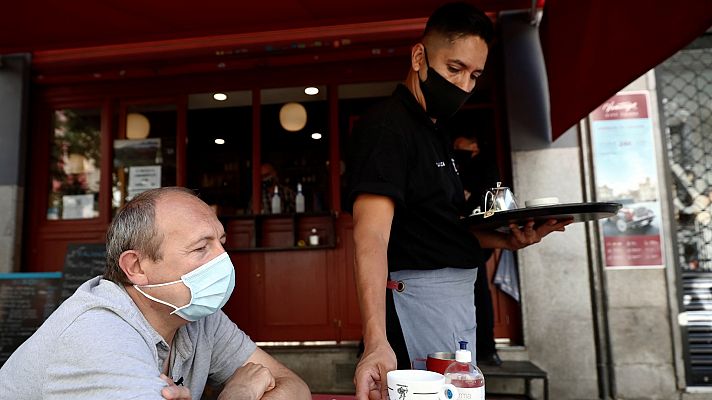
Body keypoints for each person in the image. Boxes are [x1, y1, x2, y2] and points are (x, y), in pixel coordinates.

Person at [347, 3, 571, 400]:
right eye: (455, 69)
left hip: (455, 301)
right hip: (419, 302)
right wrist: (375, 340)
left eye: (475, 75)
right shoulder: (387, 128)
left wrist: (508, 240)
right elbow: (371, 238)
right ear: (419, 57)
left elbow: (437, 227)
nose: (465, 85)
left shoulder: (435, 132)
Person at [0, 187, 310, 400]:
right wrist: (237, 395)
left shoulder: (198, 318)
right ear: (136, 267)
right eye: (201, 248)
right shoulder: (98, 334)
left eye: (221, 242)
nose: (223, 259)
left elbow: (294, 386)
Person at [453, 134, 501, 366]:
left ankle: (486, 348)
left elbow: (490, 201)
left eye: (461, 145)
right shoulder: (453, 163)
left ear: (474, 145)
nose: (456, 148)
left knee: (479, 294)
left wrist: (467, 204)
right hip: (450, 238)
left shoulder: (485, 167)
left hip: (475, 238)